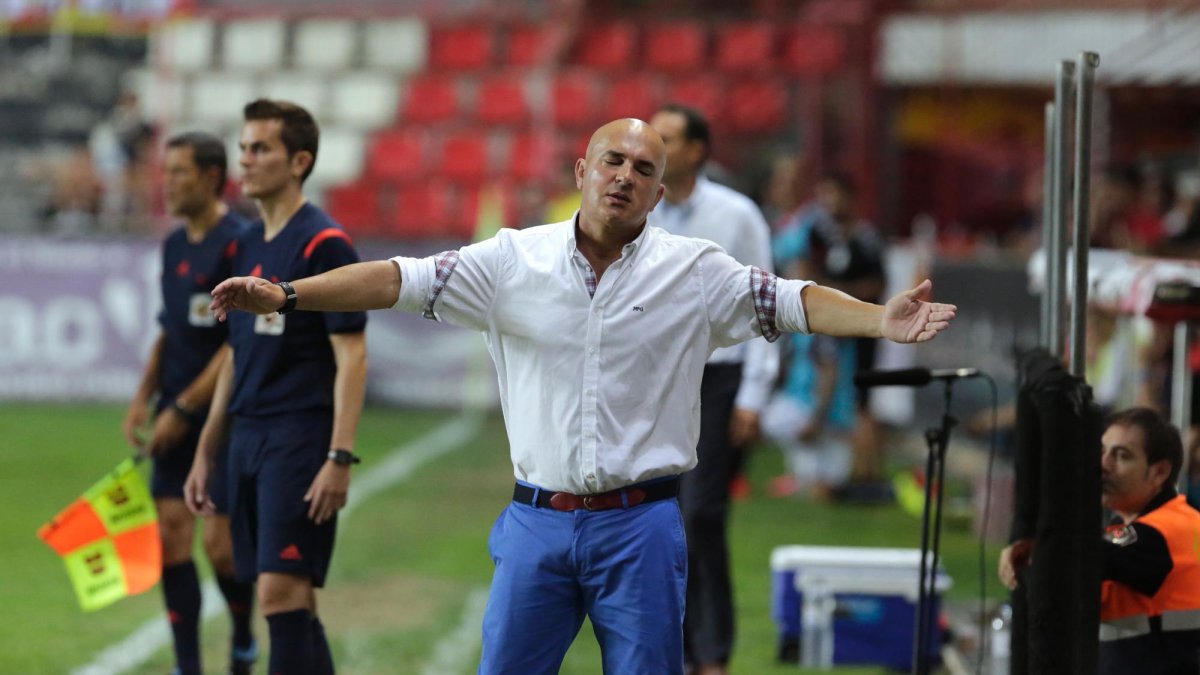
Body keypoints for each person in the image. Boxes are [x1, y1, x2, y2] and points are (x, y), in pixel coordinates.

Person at [206, 118, 956, 674]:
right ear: (584, 168)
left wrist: (878, 321)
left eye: (642, 168)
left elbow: (790, 300)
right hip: (537, 523)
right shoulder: (511, 260)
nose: (624, 175)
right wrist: (288, 294)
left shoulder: (695, 269)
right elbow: (396, 278)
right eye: (612, 160)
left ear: (660, 193)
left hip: (643, 525)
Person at [183, 99, 368, 675]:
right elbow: (237, 353)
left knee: (278, 596)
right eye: (243, 147)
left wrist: (338, 455)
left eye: (260, 148)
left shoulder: (324, 245)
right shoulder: (244, 247)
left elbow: (353, 352)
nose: (245, 159)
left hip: (299, 437)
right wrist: (208, 447)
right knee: (293, 601)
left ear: (299, 161)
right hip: (248, 438)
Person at [645, 103, 779, 675]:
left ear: (698, 150)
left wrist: (754, 394)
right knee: (655, 518)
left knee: (701, 514)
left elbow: (768, 303)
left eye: (669, 138)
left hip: (719, 378)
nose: (657, 147)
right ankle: (668, 649)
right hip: (652, 381)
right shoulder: (636, 212)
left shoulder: (737, 215)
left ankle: (712, 654)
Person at [122, 131, 256, 675]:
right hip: (172, 411)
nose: (167, 182)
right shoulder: (174, 244)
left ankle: (244, 637)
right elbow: (169, 331)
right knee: (172, 539)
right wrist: (142, 399)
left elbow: (238, 343)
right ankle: (188, 667)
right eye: (166, 171)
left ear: (209, 177)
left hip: (224, 419)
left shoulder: (241, 242)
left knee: (221, 546)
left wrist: (183, 410)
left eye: (178, 172)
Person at [1000, 407, 1200, 675]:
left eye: (1121, 456)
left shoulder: (1161, 532)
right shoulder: (1140, 524)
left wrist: (1034, 546)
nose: (1103, 465)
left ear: (1159, 472)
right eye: (1103, 451)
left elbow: (1092, 555)